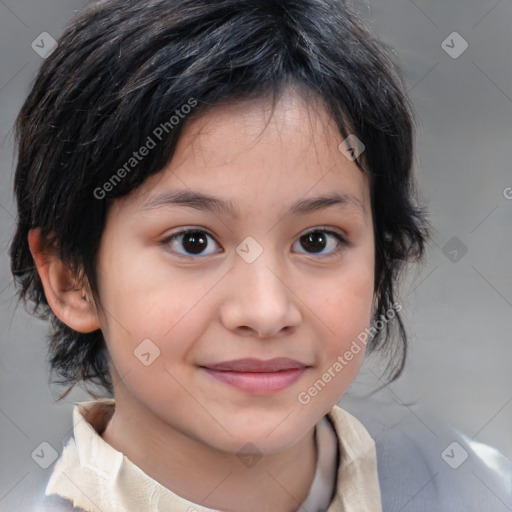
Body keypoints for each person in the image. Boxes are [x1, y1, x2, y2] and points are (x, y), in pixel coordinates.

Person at [8, 0, 443, 510]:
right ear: (70, 279)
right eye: (193, 241)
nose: (265, 312)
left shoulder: (475, 490)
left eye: (316, 240)